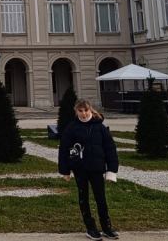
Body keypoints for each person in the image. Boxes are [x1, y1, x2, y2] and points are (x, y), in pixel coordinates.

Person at [58, 99, 119, 240]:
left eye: (86, 110)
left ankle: (106, 227)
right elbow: (64, 149)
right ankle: (90, 228)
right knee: (83, 198)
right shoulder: (71, 128)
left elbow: (110, 149)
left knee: (101, 198)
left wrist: (111, 170)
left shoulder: (100, 127)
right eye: (80, 111)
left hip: (97, 168)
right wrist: (65, 170)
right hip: (80, 169)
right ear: (76, 111)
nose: (84, 114)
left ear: (90, 110)